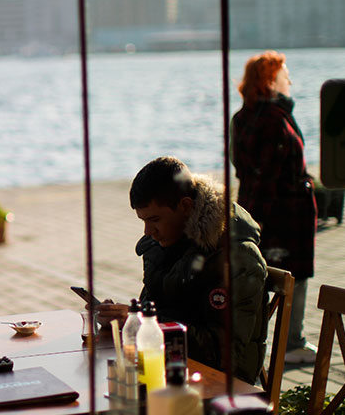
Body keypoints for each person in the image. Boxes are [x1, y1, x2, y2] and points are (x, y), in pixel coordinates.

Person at [96, 156, 268, 384]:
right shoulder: (163, 244)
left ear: (185, 206)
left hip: (219, 384)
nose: (148, 231)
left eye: (155, 219)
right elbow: (153, 311)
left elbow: (221, 353)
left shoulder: (236, 258)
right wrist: (125, 319)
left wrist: (140, 323)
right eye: (143, 221)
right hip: (167, 367)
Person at [231, 51, 318, 364]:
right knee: (293, 276)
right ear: (270, 81)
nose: (290, 81)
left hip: (256, 208)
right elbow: (269, 175)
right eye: (285, 75)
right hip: (285, 214)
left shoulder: (242, 118)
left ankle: (261, 339)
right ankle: (291, 342)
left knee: (260, 275)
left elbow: (246, 169)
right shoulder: (275, 121)